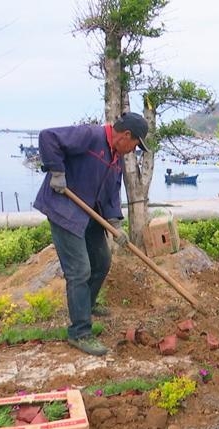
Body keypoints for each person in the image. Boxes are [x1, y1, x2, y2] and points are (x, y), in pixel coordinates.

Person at [33, 112, 150, 356]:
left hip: (90, 214)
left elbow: (111, 193)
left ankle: (86, 305)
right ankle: (80, 332)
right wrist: (56, 171)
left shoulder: (116, 157)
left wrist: (115, 225)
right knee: (80, 271)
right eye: (136, 145)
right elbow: (48, 137)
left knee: (102, 262)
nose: (134, 150)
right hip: (65, 210)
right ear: (126, 135)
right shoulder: (90, 135)